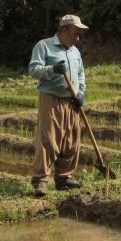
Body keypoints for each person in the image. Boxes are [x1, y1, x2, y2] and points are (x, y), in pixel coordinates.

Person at [28, 14, 88, 197]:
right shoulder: (44, 46)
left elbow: (81, 75)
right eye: (75, 33)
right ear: (63, 31)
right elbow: (33, 69)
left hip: (71, 101)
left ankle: (64, 177)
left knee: (71, 141)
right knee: (48, 140)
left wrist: (81, 93)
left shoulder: (75, 52)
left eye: (79, 34)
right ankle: (40, 180)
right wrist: (52, 70)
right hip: (51, 98)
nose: (78, 37)